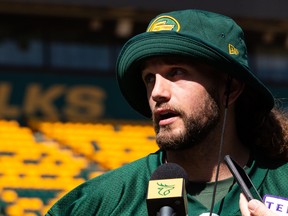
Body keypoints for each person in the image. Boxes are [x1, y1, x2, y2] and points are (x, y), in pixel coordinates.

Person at [46, 9, 288, 216]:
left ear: (230, 88)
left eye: (176, 72)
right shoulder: (100, 203)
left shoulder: (282, 184)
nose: (156, 92)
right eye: (149, 78)